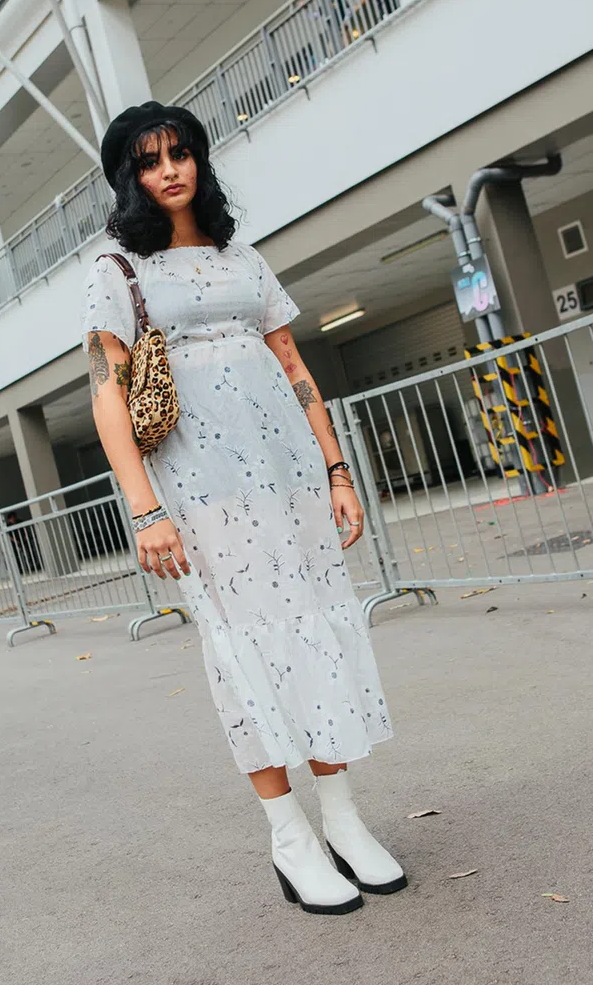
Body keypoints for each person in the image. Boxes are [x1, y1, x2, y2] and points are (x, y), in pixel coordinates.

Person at [82, 101, 406, 915]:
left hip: (288, 477)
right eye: (150, 160)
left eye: (181, 153)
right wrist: (145, 509)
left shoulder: (243, 257)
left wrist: (336, 471)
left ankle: (343, 820)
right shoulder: (117, 268)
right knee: (245, 646)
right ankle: (289, 835)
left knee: (318, 633)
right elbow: (107, 394)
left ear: (199, 160)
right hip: (201, 492)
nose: (170, 171)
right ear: (129, 176)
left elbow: (293, 364)